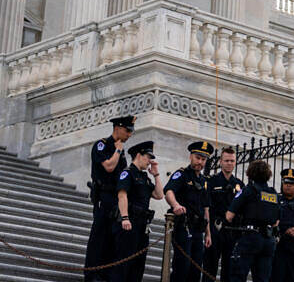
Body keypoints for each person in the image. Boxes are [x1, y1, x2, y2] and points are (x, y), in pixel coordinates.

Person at [85, 115, 136, 282]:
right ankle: (92, 274)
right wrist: (118, 150)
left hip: (115, 198)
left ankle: (105, 273)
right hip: (103, 196)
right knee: (99, 236)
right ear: (117, 128)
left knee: (111, 237)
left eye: (131, 131)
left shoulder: (118, 150)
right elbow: (108, 166)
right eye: (127, 131)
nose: (129, 135)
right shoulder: (103, 145)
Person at [110, 140, 165, 282]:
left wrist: (156, 175)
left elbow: (159, 195)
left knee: (138, 264)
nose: (149, 161)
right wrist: (125, 217)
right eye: (148, 157)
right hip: (129, 222)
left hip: (142, 224)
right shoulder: (128, 173)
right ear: (139, 155)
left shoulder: (145, 177)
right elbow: (122, 195)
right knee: (123, 261)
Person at [164, 140, 215, 282]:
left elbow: (206, 208)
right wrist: (175, 205)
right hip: (183, 226)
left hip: (198, 229)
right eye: (198, 158)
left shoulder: (204, 181)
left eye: (203, 159)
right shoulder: (182, 174)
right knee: (182, 267)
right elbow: (169, 191)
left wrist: (208, 234)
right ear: (191, 157)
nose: (200, 162)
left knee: (195, 268)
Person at [225, 160, 280, 282]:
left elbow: (229, 216)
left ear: (250, 174)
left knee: (238, 276)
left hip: (250, 237)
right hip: (268, 240)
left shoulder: (248, 190)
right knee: (262, 278)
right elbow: (276, 221)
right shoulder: (273, 193)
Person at [204, 148, 242, 282]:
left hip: (232, 232)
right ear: (220, 162)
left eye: (232, 161)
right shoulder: (211, 181)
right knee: (210, 267)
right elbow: (206, 206)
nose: (229, 163)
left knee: (229, 270)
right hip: (215, 229)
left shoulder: (239, 185)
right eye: (226, 160)